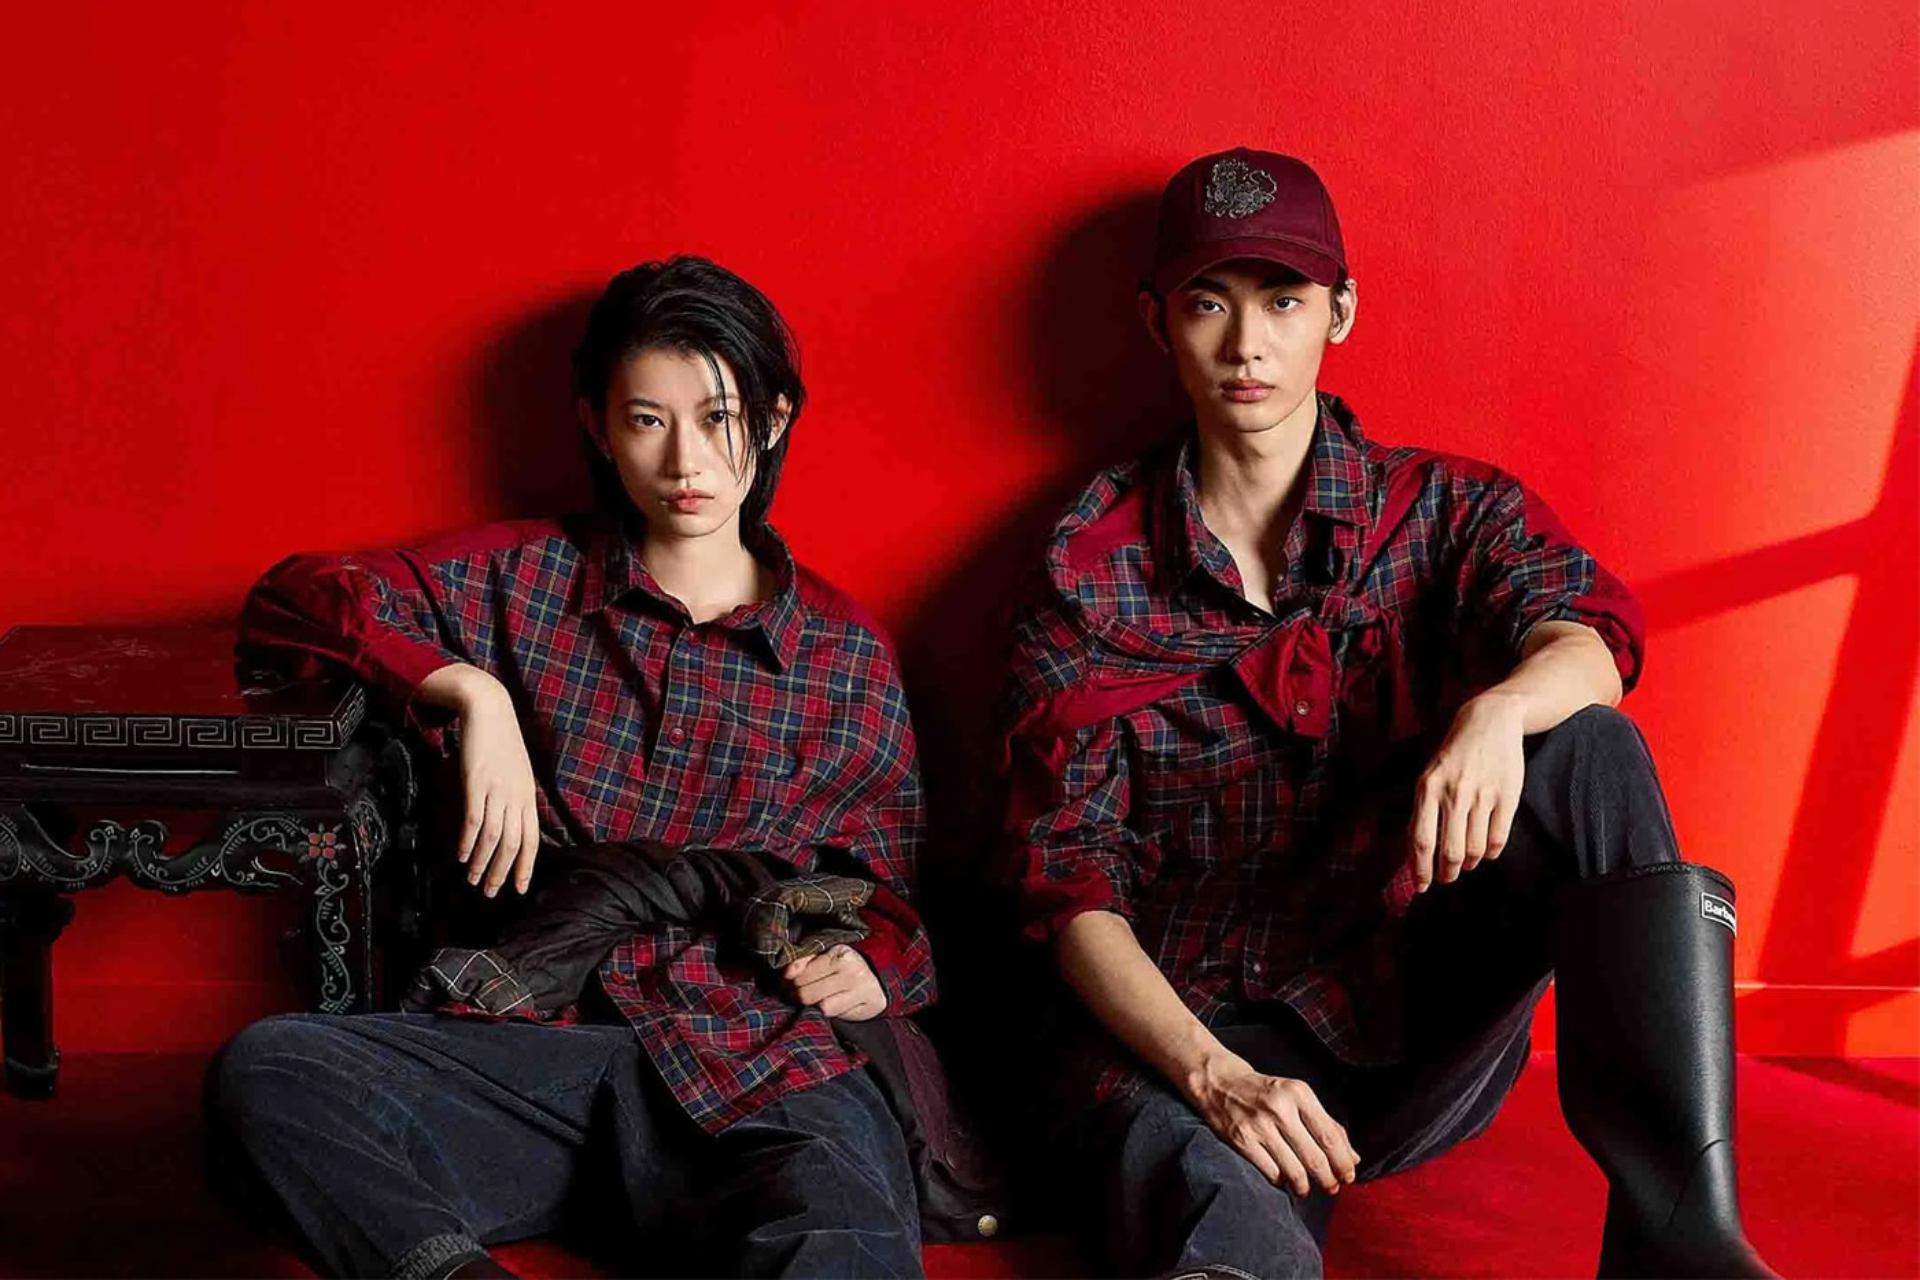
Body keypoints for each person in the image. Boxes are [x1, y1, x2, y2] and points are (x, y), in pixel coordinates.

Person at [998, 149, 1775, 1279]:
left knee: (1587, 743)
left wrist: (1500, 711)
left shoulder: (1443, 509)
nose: (1247, 343)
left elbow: (1592, 637)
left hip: (1405, 1011)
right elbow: (1063, 885)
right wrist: (1215, 1075)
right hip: (1189, 1038)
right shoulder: (1086, 569)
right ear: (1157, 321)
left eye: (1284, 301)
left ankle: (1683, 1230)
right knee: (1220, 1227)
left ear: (1341, 312)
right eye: (1210, 302)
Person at [210, 256, 934, 1279]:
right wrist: (470, 689)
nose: (685, 459)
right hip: (539, 1045)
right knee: (273, 1072)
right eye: (647, 420)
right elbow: (297, 597)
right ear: (597, 426)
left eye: (719, 418)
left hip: (764, 1054)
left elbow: (889, 890)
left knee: (843, 1247)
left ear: (774, 420)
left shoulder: (842, 651)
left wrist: (870, 963)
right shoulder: (519, 581)